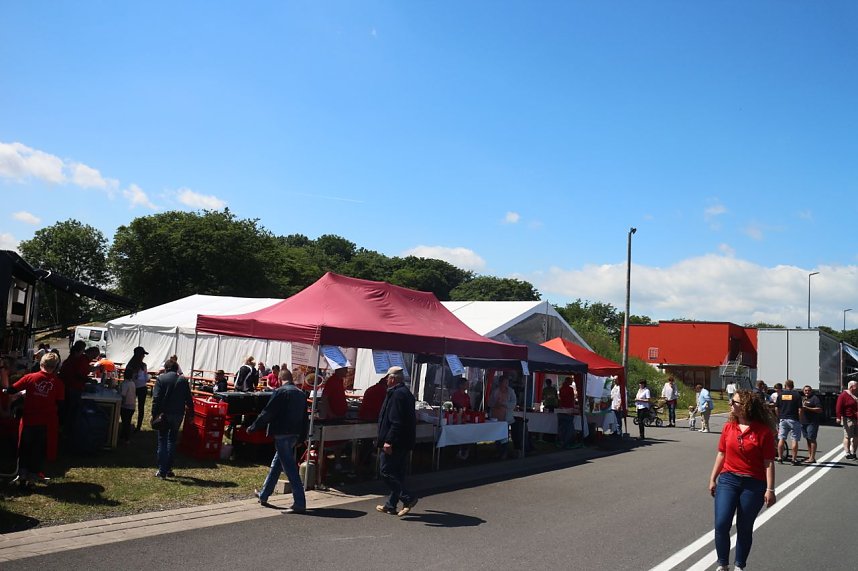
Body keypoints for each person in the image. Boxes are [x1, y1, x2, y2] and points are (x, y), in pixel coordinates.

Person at [708, 389, 777, 571]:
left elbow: (768, 463)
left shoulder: (763, 432)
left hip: (753, 484)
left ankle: (739, 565)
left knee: (744, 527)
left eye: (734, 402)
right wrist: (713, 478)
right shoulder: (728, 427)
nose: (731, 404)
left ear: (745, 406)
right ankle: (723, 564)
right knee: (722, 523)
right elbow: (721, 453)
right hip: (728, 480)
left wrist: (770, 490)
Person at [248, 369, 308, 513]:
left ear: (280, 379)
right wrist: (302, 436)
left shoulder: (280, 392)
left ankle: (300, 503)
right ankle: (264, 495)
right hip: (295, 434)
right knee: (277, 465)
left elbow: (268, 412)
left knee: (290, 469)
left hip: (282, 433)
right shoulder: (301, 394)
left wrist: (253, 427)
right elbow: (305, 417)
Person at [3, 352, 64, 487]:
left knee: (25, 448)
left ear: (41, 363)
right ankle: (33, 476)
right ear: (55, 367)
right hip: (46, 422)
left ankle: (22, 474)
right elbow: (60, 404)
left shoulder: (30, 377)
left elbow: (12, 390)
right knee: (38, 450)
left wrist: (6, 391)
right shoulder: (58, 383)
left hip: (29, 420)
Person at [376, 366, 418, 517]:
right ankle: (391, 505)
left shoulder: (397, 394)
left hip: (397, 441)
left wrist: (388, 441)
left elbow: (396, 421)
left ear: (393, 379)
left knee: (386, 471)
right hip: (405, 440)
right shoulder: (406, 393)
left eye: (388, 378)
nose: (386, 380)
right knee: (398, 473)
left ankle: (408, 498)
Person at [151, 359, 193, 479]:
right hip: (178, 414)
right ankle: (169, 468)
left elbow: (156, 399)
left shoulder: (161, 379)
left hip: (164, 414)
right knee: (172, 441)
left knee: (162, 440)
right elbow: (188, 398)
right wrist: (192, 414)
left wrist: (154, 414)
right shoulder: (183, 380)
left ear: (166, 368)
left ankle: (162, 470)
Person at [58, 340, 91, 435]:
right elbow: (78, 375)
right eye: (82, 351)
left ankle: (65, 430)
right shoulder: (74, 360)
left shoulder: (69, 360)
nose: (83, 353)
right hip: (73, 388)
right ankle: (68, 432)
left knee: (67, 410)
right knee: (72, 412)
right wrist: (87, 380)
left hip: (67, 388)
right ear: (78, 351)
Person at [774, 380, 802, 465]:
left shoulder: (781, 395)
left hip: (783, 419)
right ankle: (794, 459)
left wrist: (779, 417)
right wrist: (799, 419)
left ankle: (779, 457)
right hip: (794, 419)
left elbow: (776, 408)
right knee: (794, 439)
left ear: (785, 386)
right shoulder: (797, 395)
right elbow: (800, 409)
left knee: (781, 438)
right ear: (793, 386)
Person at [124, 346, 149, 432]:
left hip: (141, 388)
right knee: (130, 406)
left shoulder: (143, 365)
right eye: (143, 354)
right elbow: (126, 377)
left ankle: (138, 427)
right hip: (132, 387)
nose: (144, 356)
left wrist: (146, 378)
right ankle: (127, 424)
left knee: (140, 408)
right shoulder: (131, 365)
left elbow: (146, 377)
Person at [835, 380, 858, 460]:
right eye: (856, 386)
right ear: (851, 387)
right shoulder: (843, 395)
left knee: (856, 436)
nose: (857, 388)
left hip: (856, 418)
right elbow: (838, 407)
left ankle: (854, 452)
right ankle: (847, 453)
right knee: (847, 436)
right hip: (848, 418)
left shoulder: (856, 394)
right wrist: (838, 417)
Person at [799, 385, 822, 464]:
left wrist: (808, 408)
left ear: (811, 391)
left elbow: (819, 409)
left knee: (812, 439)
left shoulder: (815, 398)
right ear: (803, 391)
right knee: (807, 439)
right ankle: (810, 456)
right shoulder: (802, 399)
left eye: (808, 390)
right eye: (805, 390)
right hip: (803, 422)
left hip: (812, 422)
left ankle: (812, 457)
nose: (807, 392)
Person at [118, 368, 136, 444]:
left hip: (126, 406)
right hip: (132, 405)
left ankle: (126, 438)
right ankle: (123, 436)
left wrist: (121, 403)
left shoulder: (125, 384)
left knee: (125, 422)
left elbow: (123, 395)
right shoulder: (132, 383)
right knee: (127, 422)